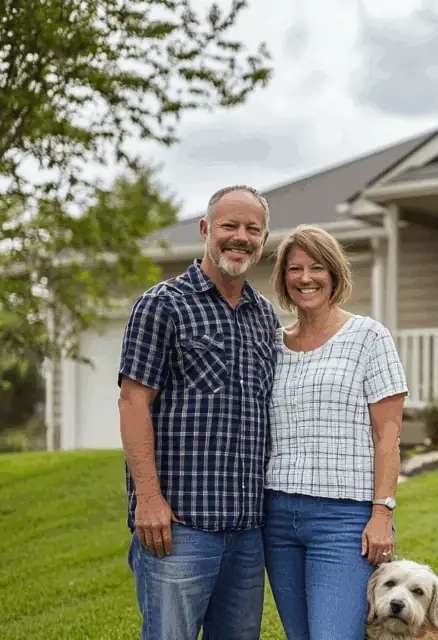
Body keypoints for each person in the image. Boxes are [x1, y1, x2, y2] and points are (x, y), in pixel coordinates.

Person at [117, 185, 279, 640]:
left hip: (247, 533)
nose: (240, 237)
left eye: (253, 229)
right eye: (230, 226)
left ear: (263, 240)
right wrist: (147, 498)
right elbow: (133, 403)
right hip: (180, 529)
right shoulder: (163, 304)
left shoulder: (262, 316)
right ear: (206, 230)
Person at [262, 224, 408, 640]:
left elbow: (388, 436)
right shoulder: (271, 345)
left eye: (317, 267)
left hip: (343, 519)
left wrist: (382, 512)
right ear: (283, 279)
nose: (306, 278)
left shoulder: (368, 337)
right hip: (276, 517)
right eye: (295, 269)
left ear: (335, 274)